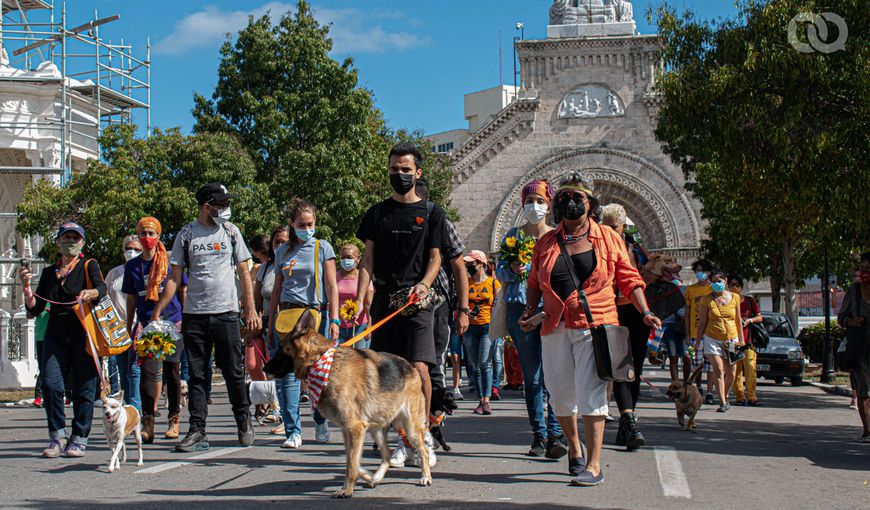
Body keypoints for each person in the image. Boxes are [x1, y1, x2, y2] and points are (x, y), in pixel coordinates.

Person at [520, 172, 660, 487]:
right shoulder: (545, 242)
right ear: (556, 206)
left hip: (596, 324)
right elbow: (533, 283)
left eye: (577, 198)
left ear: (590, 203)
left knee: (591, 393)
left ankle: (594, 464)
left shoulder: (609, 238)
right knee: (559, 396)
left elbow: (629, 278)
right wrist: (530, 312)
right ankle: (574, 447)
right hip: (554, 326)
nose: (570, 203)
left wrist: (645, 311)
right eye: (564, 198)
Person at [355, 142, 446, 468]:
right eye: (394, 169)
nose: (400, 175)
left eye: (406, 170)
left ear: (417, 172)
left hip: (417, 303)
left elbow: (436, 258)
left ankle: (422, 434)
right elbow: (367, 259)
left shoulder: (433, 213)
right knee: (390, 376)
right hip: (384, 302)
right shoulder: (377, 213)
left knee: (420, 368)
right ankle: (402, 440)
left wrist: (423, 285)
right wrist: (360, 299)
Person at [151, 183, 260, 452]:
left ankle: (242, 419)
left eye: (226, 204)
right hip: (195, 316)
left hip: (226, 312)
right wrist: (158, 308)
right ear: (206, 206)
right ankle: (197, 430)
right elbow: (175, 277)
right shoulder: (186, 235)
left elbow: (244, 271)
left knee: (234, 371)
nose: (225, 209)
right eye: (220, 204)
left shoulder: (231, 232)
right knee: (198, 376)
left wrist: (250, 308)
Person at [21, 222, 106, 458]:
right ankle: (57, 436)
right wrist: (27, 288)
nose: (70, 241)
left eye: (75, 237)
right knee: (51, 385)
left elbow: (102, 287)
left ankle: (79, 438)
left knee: (84, 388)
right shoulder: (49, 273)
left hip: (83, 333)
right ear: (58, 242)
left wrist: (92, 293)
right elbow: (36, 308)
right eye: (66, 237)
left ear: (82, 243)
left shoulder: (89, 265)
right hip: (55, 335)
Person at [495, 179, 567, 458]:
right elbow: (499, 273)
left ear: (548, 206)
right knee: (533, 376)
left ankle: (556, 433)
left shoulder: (557, 236)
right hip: (520, 310)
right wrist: (512, 269)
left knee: (554, 375)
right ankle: (539, 434)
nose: (533, 207)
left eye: (539, 201)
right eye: (529, 201)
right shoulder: (512, 236)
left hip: (550, 311)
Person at [268, 198, 340, 448]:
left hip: (314, 316)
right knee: (287, 375)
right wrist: (270, 323)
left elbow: (331, 285)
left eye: (311, 224)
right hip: (286, 317)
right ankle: (293, 432)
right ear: (292, 224)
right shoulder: (282, 252)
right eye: (302, 224)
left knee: (314, 374)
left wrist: (334, 318)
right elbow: (277, 288)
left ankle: (320, 420)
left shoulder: (323, 248)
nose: (307, 228)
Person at [123, 217, 187, 442]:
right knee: (148, 374)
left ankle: (174, 419)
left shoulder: (170, 263)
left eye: (151, 234)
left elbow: (182, 290)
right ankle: (148, 420)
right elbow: (131, 299)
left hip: (172, 322)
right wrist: (130, 325)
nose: (147, 238)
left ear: (158, 236)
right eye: (143, 234)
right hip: (148, 325)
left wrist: (186, 319)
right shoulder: (132, 267)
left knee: (172, 372)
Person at [601, 203, 650, 451]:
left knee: (635, 370)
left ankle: (625, 422)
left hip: (636, 313)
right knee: (622, 370)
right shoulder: (598, 246)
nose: (610, 230)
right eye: (606, 226)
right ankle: (629, 422)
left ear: (623, 226)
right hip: (612, 311)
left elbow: (641, 279)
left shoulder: (635, 249)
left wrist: (647, 311)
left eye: (614, 227)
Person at [692, 269, 744, 413]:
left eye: (719, 281)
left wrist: (741, 340)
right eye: (713, 282)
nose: (716, 284)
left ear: (725, 281)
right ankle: (722, 402)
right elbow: (702, 322)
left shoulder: (734, 297)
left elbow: (738, 320)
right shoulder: (706, 299)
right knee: (719, 370)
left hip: (732, 339)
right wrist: (697, 343)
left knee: (731, 373)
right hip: (712, 338)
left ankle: (725, 394)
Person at [105, 235, 142, 407]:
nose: (132, 252)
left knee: (134, 368)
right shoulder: (114, 273)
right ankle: (128, 405)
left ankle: (137, 407)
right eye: (129, 248)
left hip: (138, 326)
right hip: (117, 329)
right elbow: (105, 298)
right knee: (122, 369)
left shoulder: (143, 270)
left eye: (136, 249)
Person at [463, 250, 501, 415]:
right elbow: (461, 304)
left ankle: (486, 400)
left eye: (471, 263)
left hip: (487, 327)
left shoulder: (493, 284)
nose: (468, 266)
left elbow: (499, 306)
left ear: (481, 264)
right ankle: (480, 400)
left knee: (484, 363)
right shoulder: (466, 283)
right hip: (470, 328)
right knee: (475, 365)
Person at [838, 253, 870, 442]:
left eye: (868, 269)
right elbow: (841, 317)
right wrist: (850, 320)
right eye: (863, 268)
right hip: (859, 348)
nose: (865, 272)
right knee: (864, 390)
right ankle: (867, 430)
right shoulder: (854, 291)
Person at [685, 259, 715, 403]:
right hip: (694, 333)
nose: (699, 273)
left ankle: (709, 392)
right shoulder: (691, 290)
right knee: (696, 364)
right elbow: (687, 313)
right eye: (697, 271)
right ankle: (698, 387)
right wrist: (687, 334)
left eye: (702, 270)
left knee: (710, 364)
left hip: (711, 333)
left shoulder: (713, 289)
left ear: (709, 272)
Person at [729, 276, 763, 406]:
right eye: (731, 285)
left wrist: (749, 320)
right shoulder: (726, 301)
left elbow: (760, 317)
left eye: (736, 285)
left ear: (741, 287)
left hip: (748, 339)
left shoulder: (749, 300)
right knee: (735, 370)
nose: (734, 287)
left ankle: (751, 396)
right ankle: (739, 396)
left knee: (750, 367)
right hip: (733, 340)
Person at [336, 243, 373, 348]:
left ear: (358, 258)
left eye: (349, 257)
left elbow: (368, 304)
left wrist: (369, 325)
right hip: (339, 326)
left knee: (359, 360)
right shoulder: (335, 277)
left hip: (360, 327)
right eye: (343, 257)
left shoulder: (364, 279)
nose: (345, 260)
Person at [247, 234, 273, 382]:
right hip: (258, 320)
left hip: (274, 320)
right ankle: (262, 396)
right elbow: (254, 297)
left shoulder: (280, 266)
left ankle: (274, 399)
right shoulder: (260, 269)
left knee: (271, 362)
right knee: (252, 364)